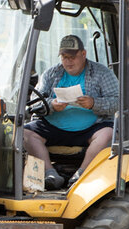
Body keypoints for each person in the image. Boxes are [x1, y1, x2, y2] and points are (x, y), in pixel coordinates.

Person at [24, 34, 119, 190]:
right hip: (53, 127)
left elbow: (116, 102)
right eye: (64, 57)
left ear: (83, 54)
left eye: (72, 57)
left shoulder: (102, 73)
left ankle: (82, 174)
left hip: (91, 128)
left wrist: (93, 103)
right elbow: (34, 102)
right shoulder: (51, 73)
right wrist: (52, 105)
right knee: (24, 133)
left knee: (108, 134)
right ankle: (50, 174)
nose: (68, 61)